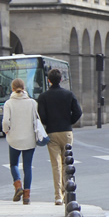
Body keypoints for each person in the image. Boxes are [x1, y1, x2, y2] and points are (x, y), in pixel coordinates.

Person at [37, 68, 83, 206]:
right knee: (67, 163)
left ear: (49, 80)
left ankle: (58, 195)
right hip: (67, 132)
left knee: (56, 164)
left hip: (52, 132)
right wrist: (69, 121)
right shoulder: (68, 94)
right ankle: (67, 191)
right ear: (61, 80)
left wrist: (49, 122)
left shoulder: (44, 96)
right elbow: (78, 112)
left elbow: (42, 117)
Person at [2, 78, 39, 205]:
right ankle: (27, 196)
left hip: (14, 138)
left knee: (14, 164)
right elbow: (36, 120)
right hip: (29, 139)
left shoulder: (8, 103)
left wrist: (6, 130)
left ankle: (18, 186)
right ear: (25, 88)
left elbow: (6, 122)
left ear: (12, 89)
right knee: (28, 166)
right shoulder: (33, 103)